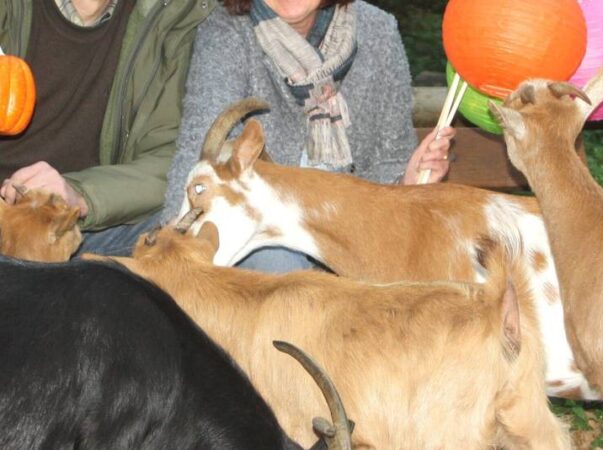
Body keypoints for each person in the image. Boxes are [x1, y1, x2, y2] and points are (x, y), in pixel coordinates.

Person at [162, 0, 456, 272]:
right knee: (278, 265)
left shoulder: (378, 30)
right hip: (265, 236)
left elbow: (389, 161)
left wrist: (409, 178)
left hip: (353, 236)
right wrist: (179, 243)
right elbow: (202, 153)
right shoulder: (226, 31)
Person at [0, 0, 215, 256]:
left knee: (205, 221)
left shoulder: (171, 14)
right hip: (7, 212)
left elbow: (170, 157)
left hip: (87, 226)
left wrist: (81, 194)